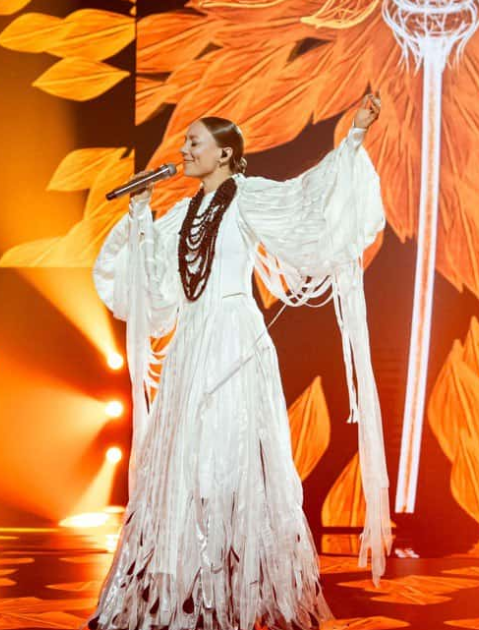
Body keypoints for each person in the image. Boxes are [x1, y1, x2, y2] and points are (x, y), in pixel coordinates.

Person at [87, 93, 390, 630]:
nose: (184, 150)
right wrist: (139, 212)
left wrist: (357, 134)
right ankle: (183, 594)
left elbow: (310, 199)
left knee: (228, 460)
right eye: (186, 142)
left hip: (232, 338)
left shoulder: (247, 197)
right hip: (191, 344)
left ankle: (235, 595)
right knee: (185, 462)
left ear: (225, 153)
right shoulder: (180, 214)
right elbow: (151, 280)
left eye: (194, 142)